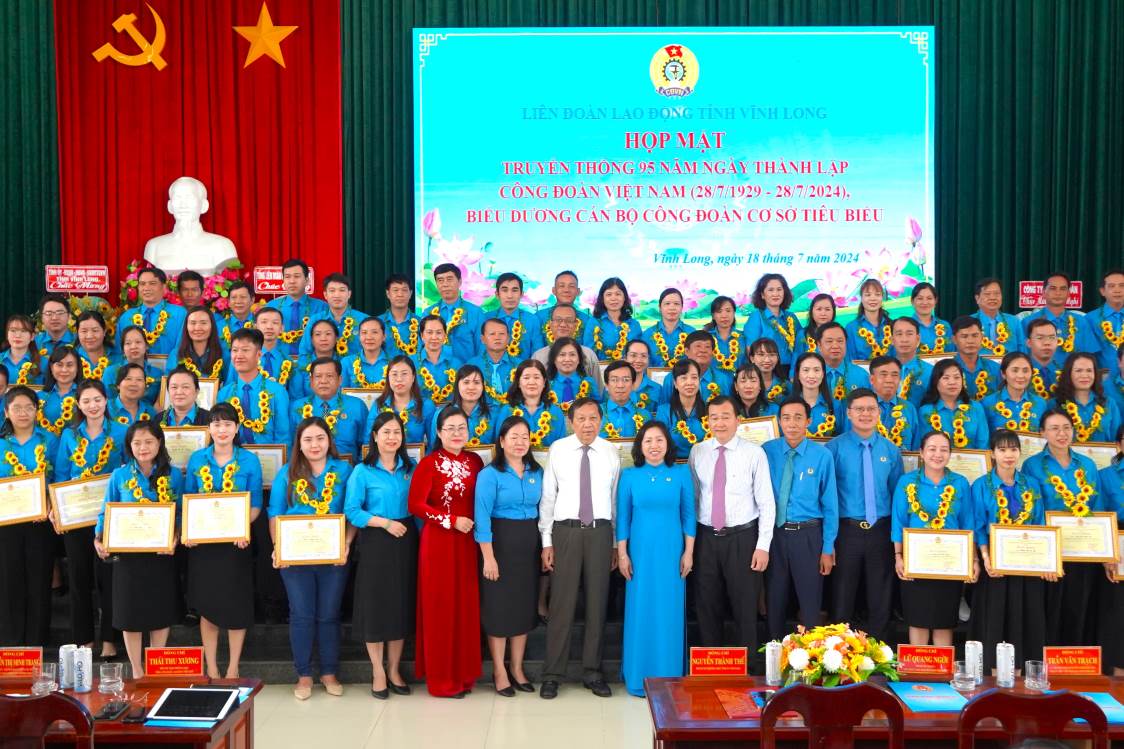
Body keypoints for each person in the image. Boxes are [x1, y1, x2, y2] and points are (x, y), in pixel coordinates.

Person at [538, 398, 621, 699]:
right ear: (571, 421)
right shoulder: (558, 449)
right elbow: (548, 497)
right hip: (566, 531)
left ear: (601, 420)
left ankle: (592, 672)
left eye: (593, 418)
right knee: (562, 604)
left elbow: (613, 501)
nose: (587, 424)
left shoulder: (611, 452)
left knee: (598, 603)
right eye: (581, 419)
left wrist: (613, 543)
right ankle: (552, 674)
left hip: (600, 532)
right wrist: (547, 541)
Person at [268, 417, 354, 700]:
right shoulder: (287, 473)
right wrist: (278, 547)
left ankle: (329, 672)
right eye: (308, 440)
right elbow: (275, 513)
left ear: (329, 440)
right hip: (296, 556)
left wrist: (347, 544)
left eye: (320, 438)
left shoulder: (343, 470)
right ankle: (303, 675)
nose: (314, 444)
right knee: (302, 615)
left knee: (329, 614)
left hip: (333, 556)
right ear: (299, 444)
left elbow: (353, 511)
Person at [93, 421, 184, 678]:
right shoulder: (119, 476)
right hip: (128, 556)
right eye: (137, 443)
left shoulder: (174, 475)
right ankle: (137, 670)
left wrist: (176, 536)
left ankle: (157, 665)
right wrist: (98, 538)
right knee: (129, 611)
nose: (143, 447)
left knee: (160, 609)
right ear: (129, 446)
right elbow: (106, 511)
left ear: (159, 444)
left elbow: (179, 513)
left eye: (149, 442)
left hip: (161, 555)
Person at [408, 406, 485, 698]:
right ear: (438, 432)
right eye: (450, 428)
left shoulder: (475, 461)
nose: (456, 433)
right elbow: (416, 505)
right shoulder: (429, 463)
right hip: (438, 544)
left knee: (464, 608)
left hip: (467, 545)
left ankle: (463, 674)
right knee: (440, 608)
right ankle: (441, 680)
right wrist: (451, 521)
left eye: (461, 428)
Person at [689, 396, 774, 657]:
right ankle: (711, 667)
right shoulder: (698, 452)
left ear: (738, 420)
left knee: (744, 607)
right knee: (707, 605)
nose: (720, 422)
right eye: (714, 417)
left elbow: (767, 503)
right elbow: (694, 498)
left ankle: (746, 671)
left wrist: (763, 547)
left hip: (743, 538)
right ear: (708, 421)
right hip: (706, 538)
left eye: (726, 416)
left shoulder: (754, 453)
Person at [183, 403, 264, 679]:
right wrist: (189, 531)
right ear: (209, 429)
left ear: (237, 428)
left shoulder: (249, 461)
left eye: (228, 424)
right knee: (209, 606)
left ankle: (232, 666)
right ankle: (212, 666)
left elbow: (255, 503)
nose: (222, 429)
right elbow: (188, 501)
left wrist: (243, 528)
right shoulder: (197, 460)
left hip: (235, 545)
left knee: (236, 605)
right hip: (204, 547)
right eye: (216, 424)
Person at [617, 420, 695, 697]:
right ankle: (638, 676)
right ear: (640, 445)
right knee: (640, 610)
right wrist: (623, 554)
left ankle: (669, 676)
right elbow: (623, 518)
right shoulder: (629, 476)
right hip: (639, 553)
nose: (654, 446)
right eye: (648, 440)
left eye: (659, 440)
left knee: (669, 611)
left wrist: (689, 551)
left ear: (667, 444)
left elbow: (688, 515)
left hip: (672, 553)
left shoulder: (681, 474)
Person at [345, 412, 417, 699]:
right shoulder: (362, 471)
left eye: (396, 432)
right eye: (385, 432)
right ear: (375, 436)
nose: (391, 437)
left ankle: (395, 669)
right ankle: (377, 670)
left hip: (406, 539)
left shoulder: (410, 468)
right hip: (377, 539)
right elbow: (352, 510)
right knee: (376, 607)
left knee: (399, 606)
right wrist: (384, 523)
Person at [53, 380, 126, 658]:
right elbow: (61, 474)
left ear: (106, 401)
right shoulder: (70, 435)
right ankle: (83, 640)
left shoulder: (120, 432)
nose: (92, 406)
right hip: (76, 516)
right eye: (86, 401)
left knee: (108, 578)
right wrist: (57, 507)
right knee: (79, 578)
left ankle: (109, 639)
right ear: (79, 404)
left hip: (109, 515)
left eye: (97, 399)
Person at [826, 388, 905, 641]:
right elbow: (827, 496)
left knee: (880, 596)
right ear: (848, 413)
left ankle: (878, 652)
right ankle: (838, 654)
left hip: (880, 530)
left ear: (879, 413)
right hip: (846, 530)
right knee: (842, 594)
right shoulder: (834, 449)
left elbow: (896, 497)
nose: (865, 414)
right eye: (859, 409)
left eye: (871, 408)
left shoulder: (891, 451)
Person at [1022, 409, 1105, 645]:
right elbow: (1032, 510)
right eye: (1054, 428)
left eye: (1066, 428)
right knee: (1050, 608)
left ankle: (1076, 662)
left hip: (1083, 548)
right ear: (1042, 433)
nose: (1062, 434)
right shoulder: (1032, 465)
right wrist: (1044, 555)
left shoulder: (1087, 464)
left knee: (1079, 607)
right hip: (1051, 550)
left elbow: (1097, 507)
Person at [970, 429, 1050, 671]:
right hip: (995, 564)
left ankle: (1021, 674)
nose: (1008, 455)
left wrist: (1044, 563)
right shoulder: (982, 485)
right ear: (992, 454)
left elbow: (1040, 524)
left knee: (1025, 617)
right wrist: (985, 558)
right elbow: (979, 524)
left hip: (1027, 565)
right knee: (995, 617)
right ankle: (993, 674)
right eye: (1002, 450)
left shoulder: (1032, 484)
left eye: (1013, 449)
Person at [475, 416, 543, 696]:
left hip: (528, 543)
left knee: (523, 607)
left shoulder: (536, 471)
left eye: (524, 437)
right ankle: (500, 671)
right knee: (499, 609)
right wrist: (488, 557)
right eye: (513, 436)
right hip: (499, 543)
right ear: (501, 441)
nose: (519, 442)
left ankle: (517, 667)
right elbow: (481, 517)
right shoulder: (490, 474)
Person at [762, 399, 838, 640]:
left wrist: (827, 548)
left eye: (798, 417)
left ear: (808, 421)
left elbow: (830, 505)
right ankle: (773, 658)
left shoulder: (822, 456)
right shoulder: (766, 451)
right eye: (786, 417)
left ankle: (812, 660)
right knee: (775, 599)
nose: (792, 423)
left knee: (810, 601)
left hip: (808, 535)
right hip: (775, 534)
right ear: (779, 421)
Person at [892, 429, 975, 646]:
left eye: (944, 450)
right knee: (917, 618)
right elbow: (899, 522)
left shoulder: (960, 483)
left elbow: (968, 523)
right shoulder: (906, 482)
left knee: (944, 620)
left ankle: (941, 675)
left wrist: (972, 560)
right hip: (915, 560)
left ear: (950, 454)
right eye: (932, 449)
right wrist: (898, 555)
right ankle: (918, 672)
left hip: (950, 562)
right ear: (921, 452)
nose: (937, 454)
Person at [0, 387, 58, 645]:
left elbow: (60, 478)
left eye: (28, 407)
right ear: (6, 412)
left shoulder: (50, 441)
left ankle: (37, 641)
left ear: (37, 410)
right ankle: (11, 642)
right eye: (16, 408)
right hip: (5, 523)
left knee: (38, 578)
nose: (23, 413)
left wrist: (50, 503)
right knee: (8, 579)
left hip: (40, 521)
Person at [215, 328, 292, 446]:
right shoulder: (224, 393)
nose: (239, 355)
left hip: (270, 460)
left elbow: (283, 436)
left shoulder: (277, 391)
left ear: (259, 354)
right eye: (235, 350)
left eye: (245, 350)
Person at [290, 357, 369, 460]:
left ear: (340, 380)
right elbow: (292, 445)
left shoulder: (357, 406)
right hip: (308, 470)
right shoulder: (298, 407)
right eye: (318, 376)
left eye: (329, 376)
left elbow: (366, 444)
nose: (323, 381)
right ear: (311, 380)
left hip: (349, 471)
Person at [1021, 272, 1099, 356]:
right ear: (1043, 292)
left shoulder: (1081, 322)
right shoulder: (1028, 322)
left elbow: (1090, 356)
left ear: (1069, 293)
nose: (1058, 293)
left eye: (1063, 288)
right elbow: (1022, 356)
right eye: (1053, 288)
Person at [1098, 425, 1124, 673]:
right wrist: (1108, 554)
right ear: (1118, 445)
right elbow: (1102, 517)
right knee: (1119, 612)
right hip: (1118, 545)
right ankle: (1118, 673)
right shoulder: (1106, 475)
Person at [918, 359, 990, 449]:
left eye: (957, 377)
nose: (952, 382)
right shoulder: (925, 411)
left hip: (971, 462)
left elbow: (983, 444)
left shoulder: (976, 408)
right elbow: (925, 446)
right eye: (946, 378)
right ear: (935, 382)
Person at [115, 267, 187, 356]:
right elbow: (119, 352)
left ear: (164, 287)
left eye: (152, 283)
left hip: (170, 368)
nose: (146, 288)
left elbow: (182, 348)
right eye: (142, 284)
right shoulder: (126, 317)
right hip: (133, 368)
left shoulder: (179, 314)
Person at [265, 259, 329, 359]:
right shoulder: (271, 307)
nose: (292, 281)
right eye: (287, 277)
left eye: (297, 276)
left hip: (312, 363)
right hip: (278, 362)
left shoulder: (322, 307)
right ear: (283, 281)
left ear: (307, 280)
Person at [1053, 352, 1121, 443]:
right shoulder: (1055, 404)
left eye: (1089, 370)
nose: (1084, 375)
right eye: (1078, 371)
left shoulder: (1109, 403)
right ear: (1069, 374)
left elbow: (1117, 440)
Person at [497, 359, 566, 448]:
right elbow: (500, 444)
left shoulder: (555, 412)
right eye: (526, 378)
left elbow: (561, 447)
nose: (532, 382)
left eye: (537, 377)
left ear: (544, 382)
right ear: (518, 382)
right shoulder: (507, 411)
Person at [424, 263, 485, 362]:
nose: (445, 284)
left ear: (460, 282)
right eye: (440, 280)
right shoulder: (428, 313)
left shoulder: (476, 312)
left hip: (467, 373)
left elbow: (482, 349)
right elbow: (423, 346)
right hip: (436, 373)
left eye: (449, 279)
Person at [299, 272, 368, 359]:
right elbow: (304, 353)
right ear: (325, 295)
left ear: (349, 294)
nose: (337, 295)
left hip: (354, 371)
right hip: (322, 371)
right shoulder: (315, 320)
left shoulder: (364, 320)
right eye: (332, 290)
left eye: (342, 290)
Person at [531, 303, 600, 389]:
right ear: (550, 324)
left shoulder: (589, 354)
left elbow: (598, 389)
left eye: (569, 320)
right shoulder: (539, 356)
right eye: (558, 320)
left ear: (575, 325)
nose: (563, 324)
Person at [743, 274, 802, 373]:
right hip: (767, 371)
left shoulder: (791, 317)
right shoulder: (756, 317)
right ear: (762, 295)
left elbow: (801, 344)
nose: (776, 294)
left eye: (779, 289)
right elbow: (750, 350)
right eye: (770, 290)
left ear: (784, 293)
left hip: (793, 371)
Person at [367, 356, 432, 445]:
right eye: (394, 374)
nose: (399, 379)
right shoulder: (379, 405)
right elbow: (368, 441)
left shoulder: (426, 405)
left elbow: (433, 443)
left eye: (404, 374)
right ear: (388, 378)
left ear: (413, 377)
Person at [426, 364, 495, 448]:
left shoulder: (493, 413)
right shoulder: (441, 414)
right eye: (466, 382)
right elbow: (434, 447)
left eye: (476, 382)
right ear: (457, 386)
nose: (471, 387)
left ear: (483, 386)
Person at [982, 352, 1049, 433]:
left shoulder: (1040, 403)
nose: (1020, 376)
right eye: (1015, 370)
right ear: (1003, 374)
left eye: (1025, 371)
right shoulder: (988, 403)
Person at [863, 356, 920, 450]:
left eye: (894, 375)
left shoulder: (909, 409)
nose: (889, 380)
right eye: (883, 374)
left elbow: (915, 448)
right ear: (872, 379)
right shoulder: (860, 408)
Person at [659, 331, 732, 404]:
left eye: (707, 347)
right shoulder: (671, 378)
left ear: (712, 353)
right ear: (687, 351)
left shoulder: (723, 380)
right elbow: (665, 408)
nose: (703, 350)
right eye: (698, 346)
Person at [656, 359, 711, 456]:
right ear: (675, 384)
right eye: (683, 378)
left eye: (694, 378)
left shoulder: (710, 410)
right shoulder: (664, 411)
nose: (689, 382)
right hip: (674, 466)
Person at [483, 272, 543, 360]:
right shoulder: (486, 319)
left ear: (521, 294)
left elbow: (537, 354)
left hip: (524, 371)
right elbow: (481, 351)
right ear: (497, 294)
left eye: (514, 290)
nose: (510, 296)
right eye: (504, 290)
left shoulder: (532, 320)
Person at [584, 277, 641, 362]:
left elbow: (640, 353)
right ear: (602, 299)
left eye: (618, 294)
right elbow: (588, 354)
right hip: (600, 373)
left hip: (628, 373)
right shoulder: (594, 323)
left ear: (624, 297)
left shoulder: (634, 325)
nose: (613, 298)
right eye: (609, 294)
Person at [466, 318, 520, 406]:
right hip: (481, 414)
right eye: (492, 334)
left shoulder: (520, 366)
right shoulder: (472, 365)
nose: (497, 338)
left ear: (508, 338)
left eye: (501, 334)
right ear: (483, 339)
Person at [167, 306, 228, 381]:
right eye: (193, 323)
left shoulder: (223, 354)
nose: (198, 328)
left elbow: (228, 385)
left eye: (203, 323)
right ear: (186, 327)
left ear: (212, 326)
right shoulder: (176, 355)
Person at [817, 322, 872, 404]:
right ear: (819, 345)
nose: (835, 346)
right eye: (829, 341)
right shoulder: (810, 376)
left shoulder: (861, 375)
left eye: (840, 341)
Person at [288, 319, 340, 401]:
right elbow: (296, 399)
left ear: (336, 338)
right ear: (311, 340)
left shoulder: (345, 363)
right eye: (318, 334)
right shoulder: (300, 366)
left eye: (328, 334)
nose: (323, 338)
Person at [972, 277, 1027, 356]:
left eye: (997, 293)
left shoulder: (1014, 321)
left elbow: (1023, 352)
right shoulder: (969, 322)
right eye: (987, 294)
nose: (993, 298)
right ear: (977, 298)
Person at [414, 315, 461, 406]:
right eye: (429, 332)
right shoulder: (411, 362)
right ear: (422, 336)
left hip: (449, 414)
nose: (434, 337)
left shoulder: (456, 364)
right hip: (418, 413)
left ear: (444, 336)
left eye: (439, 332)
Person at [107, 325, 162, 404]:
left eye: (138, 342)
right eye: (128, 343)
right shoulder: (110, 372)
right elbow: (107, 403)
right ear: (123, 349)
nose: (133, 346)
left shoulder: (157, 373)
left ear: (146, 345)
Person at [641, 288, 695, 367]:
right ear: (660, 307)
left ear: (682, 308)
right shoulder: (647, 334)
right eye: (667, 303)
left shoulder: (692, 333)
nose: (672, 308)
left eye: (676, 304)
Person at [952, 316, 1001, 402]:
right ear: (954, 339)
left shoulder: (995, 368)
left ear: (982, 337)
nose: (970, 341)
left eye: (975, 335)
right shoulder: (946, 370)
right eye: (964, 336)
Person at [536, 270, 592, 345]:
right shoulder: (538, 317)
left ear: (578, 291)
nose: (566, 290)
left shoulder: (587, 321)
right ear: (554, 290)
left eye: (571, 286)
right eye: (562, 286)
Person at [789, 352, 838, 438]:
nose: (811, 375)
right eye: (806, 370)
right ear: (798, 374)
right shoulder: (787, 406)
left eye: (816, 370)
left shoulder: (836, 405)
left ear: (823, 374)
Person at [890, 317, 934, 410]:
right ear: (892, 340)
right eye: (899, 334)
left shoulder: (931, 372)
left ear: (918, 339)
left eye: (909, 334)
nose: (904, 339)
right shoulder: (883, 371)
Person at [1087, 269, 1124, 377]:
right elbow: (1088, 354)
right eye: (1112, 286)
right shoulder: (1090, 319)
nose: (1117, 290)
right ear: (1103, 291)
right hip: (1102, 382)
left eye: (1122, 285)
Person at [845, 279, 893, 361]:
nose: (873, 298)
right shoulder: (851, 328)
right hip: (861, 373)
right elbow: (850, 360)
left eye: (877, 294)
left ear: (882, 297)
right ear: (861, 298)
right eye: (868, 295)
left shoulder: (892, 325)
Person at [546, 337, 598, 412]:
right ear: (554, 359)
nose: (567, 359)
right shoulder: (545, 384)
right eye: (562, 355)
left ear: (579, 359)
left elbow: (598, 408)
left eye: (572, 355)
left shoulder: (589, 382)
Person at [599, 361, 648, 439]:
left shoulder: (646, 416)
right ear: (606, 385)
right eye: (614, 380)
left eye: (626, 380)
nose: (620, 385)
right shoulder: (595, 413)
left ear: (633, 384)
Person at [37, 346, 80, 437]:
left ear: (77, 367)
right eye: (59, 365)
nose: (64, 370)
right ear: (51, 368)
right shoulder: (40, 397)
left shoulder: (84, 396)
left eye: (70, 365)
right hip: (45, 448)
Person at [340, 317, 389, 391]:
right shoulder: (347, 362)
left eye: (374, 332)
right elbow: (341, 394)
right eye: (364, 332)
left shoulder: (394, 363)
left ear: (384, 336)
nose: (369, 337)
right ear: (359, 337)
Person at [380, 273, 420, 358]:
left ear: (411, 294)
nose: (400, 294)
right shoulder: (377, 323)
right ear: (388, 294)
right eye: (395, 290)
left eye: (404, 290)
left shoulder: (421, 323)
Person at [1025, 318, 1067, 400]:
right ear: (1029, 343)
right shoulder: (1020, 372)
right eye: (1040, 338)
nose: (1047, 343)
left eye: (1051, 338)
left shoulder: (1067, 371)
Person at [254, 307, 295, 386]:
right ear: (255, 326)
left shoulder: (288, 361)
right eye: (264, 322)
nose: (269, 326)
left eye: (275, 323)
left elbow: (294, 395)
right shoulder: (244, 357)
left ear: (281, 328)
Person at [909, 283, 954, 354]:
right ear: (912, 301)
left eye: (929, 298)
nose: (925, 302)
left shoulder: (945, 326)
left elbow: (951, 352)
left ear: (935, 301)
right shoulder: (905, 326)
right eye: (920, 298)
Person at [74, 311, 117, 384]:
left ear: (104, 331)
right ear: (77, 333)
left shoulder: (118, 358)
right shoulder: (71, 358)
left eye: (95, 330)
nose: (89, 336)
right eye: (84, 331)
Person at [704, 295, 744, 372]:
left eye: (728, 311)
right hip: (712, 383)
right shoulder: (706, 338)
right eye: (719, 311)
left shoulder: (743, 337)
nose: (724, 316)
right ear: (713, 316)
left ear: (734, 313)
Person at [3, 315, 43, 386]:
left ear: (32, 336)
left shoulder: (44, 362)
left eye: (23, 331)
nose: (18, 335)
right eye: (13, 330)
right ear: (7, 335)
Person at [623, 339, 663, 411]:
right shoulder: (614, 386)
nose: (638, 360)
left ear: (648, 359)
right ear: (625, 358)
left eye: (643, 356)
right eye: (633, 355)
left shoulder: (657, 389)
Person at [794, 293, 836, 358]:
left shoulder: (839, 333)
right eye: (819, 309)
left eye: (827, 309)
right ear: (812, 311)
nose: (823, 313)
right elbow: (796, 361)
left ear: (833, 312)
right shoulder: (803, 334)